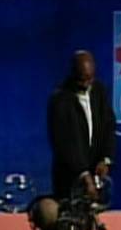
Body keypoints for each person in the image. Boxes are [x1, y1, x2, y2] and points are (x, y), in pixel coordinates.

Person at [48, 50, 116, 200]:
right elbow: (63, 143)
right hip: (69, 179)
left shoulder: (99, 91)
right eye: (82, 79)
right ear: (73, 74)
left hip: (95, 177)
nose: (86, 84)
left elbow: (109, 126)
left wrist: (105, 159)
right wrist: (83, 174)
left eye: (89, 79)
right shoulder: (59, 99)